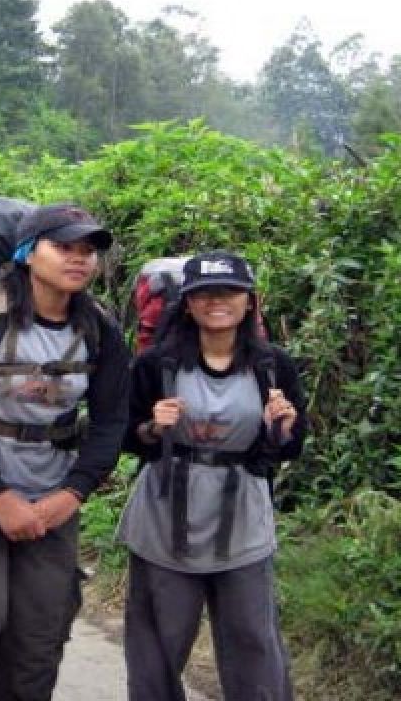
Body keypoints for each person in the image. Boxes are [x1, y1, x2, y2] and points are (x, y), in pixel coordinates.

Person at [0, 203, 130, 700]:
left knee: (39, 633)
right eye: (64, 247)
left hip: (51, 494)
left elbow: (110, 420)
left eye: (88, 250)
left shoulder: (100, 330)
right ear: (29, 253)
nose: (79, 259)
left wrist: (73, 493)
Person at [118, 250, 306, 701]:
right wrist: (151, 426)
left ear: (249, 302)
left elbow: (290, 447)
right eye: (204, 293)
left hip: (242, 523)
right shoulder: (156, 365)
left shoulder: (273, 367)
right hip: (164, 523)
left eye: (229, 293)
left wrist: (280, 428)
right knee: (156, 655)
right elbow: (126, 437)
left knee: (254, 650)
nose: (216, 302)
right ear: (187, 302)